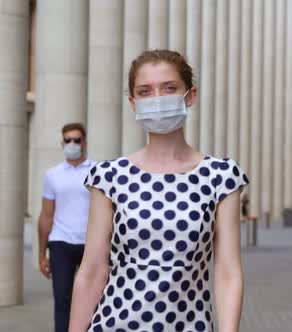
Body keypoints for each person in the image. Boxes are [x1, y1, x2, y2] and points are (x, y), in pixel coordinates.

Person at [69, 49, 249, 332]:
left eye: (169, 88)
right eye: (145, 91)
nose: (158, 99)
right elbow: (92, 272)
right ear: (133, 103)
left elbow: (228, 274)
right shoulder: (110, 176)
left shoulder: (221, 176)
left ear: (190, 95)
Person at [38, 122, 96, 332]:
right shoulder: (52, 175)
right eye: (68, 140)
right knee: (62, 299)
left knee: (92, 298)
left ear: (85, 142)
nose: (72, 144)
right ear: (62, 143)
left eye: (77, 140)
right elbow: (46, 215)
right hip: (60, 243)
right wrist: (42, 254)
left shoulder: (97, 171)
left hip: (90, 244)